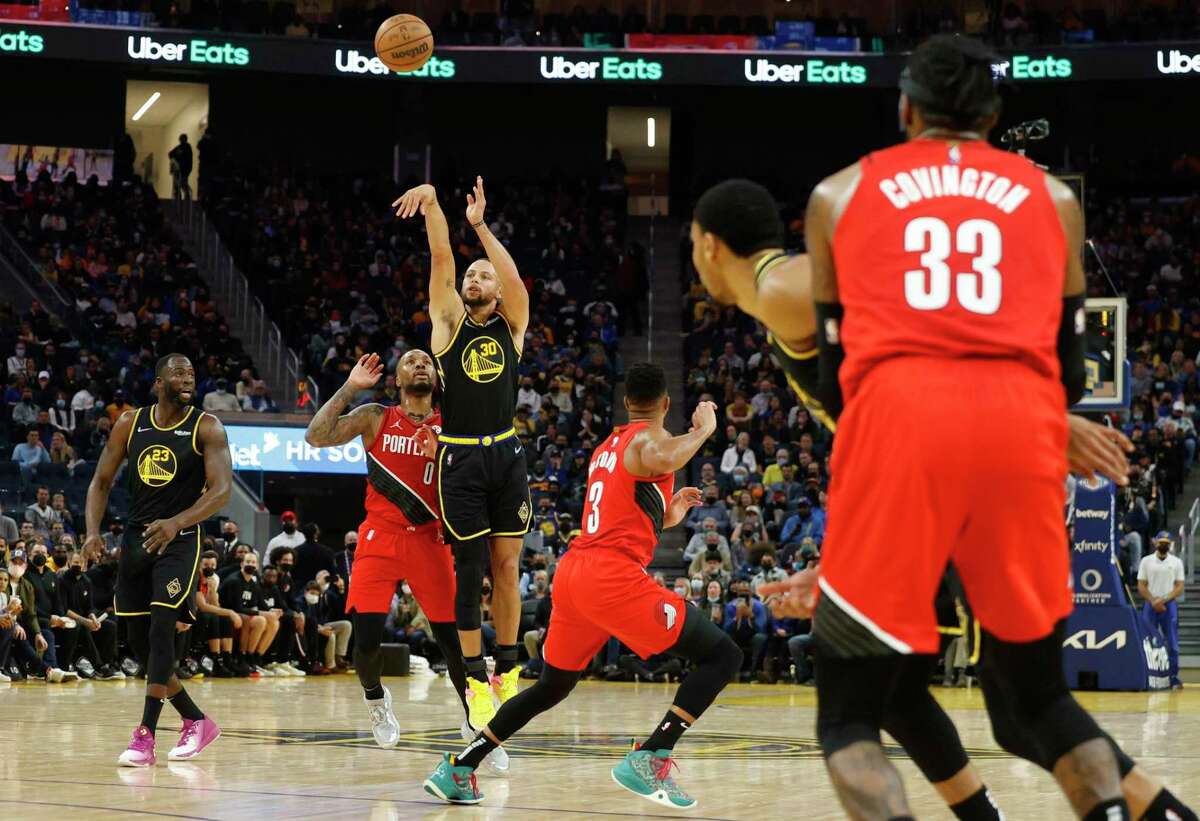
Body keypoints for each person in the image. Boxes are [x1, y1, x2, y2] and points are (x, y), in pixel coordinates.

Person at [688, 45, 1192, 821]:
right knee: (1035, 705)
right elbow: (1063, 363)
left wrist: (870, 519)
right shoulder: (1055, 199)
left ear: (905, 112)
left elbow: (838, 377)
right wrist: (1039, 421)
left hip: (899, 427)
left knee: (851, 711)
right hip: (1019, 431)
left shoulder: (838, 196)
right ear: (993, 118)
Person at [424, 362, 742, 808]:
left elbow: (622, 507)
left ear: (626, 403)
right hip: (610, 579)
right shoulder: (648, 440)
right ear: (666, 404)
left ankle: (460, 766)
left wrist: (666, 516)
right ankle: (652, 755)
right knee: (723, 655)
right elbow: (665, 454)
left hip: (576, 574)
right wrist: (703, 430)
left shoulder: (607, 448)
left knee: (551, 687)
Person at [304, 350, 492, 766]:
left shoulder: (455, 424)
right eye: (410, 361)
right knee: (365, 640)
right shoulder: (375, 416)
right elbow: (315, 436)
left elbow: (477, 482)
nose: (420, 365)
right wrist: (351, 387)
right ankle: (376, 700)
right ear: (397, 379)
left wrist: (440, 456)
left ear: (438, 377)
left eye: (426, 360)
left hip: (431, 539)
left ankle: (476, 724)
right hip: (380, 537)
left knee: (454, 644)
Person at [394, 176, 532, 734]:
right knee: (469, 570)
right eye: (472, 275)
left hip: (505, 454)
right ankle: (474, 679)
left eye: (484, 276)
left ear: (496, 292)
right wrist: (433, 202)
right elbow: (441, 256)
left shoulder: (512, 325)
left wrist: (481, 227)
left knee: (507, 567)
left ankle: (507, 668)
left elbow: (516, 277)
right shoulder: (447, 325)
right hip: (459, 460)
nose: (475, 277)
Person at [85, 353, 230, 766]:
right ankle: (196, 720)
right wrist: (93, 533)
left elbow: (221, 492)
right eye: (179, 373)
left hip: (181, 539)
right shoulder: (131, 424)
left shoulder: (207, 426)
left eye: (192, 372)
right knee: (137, 642)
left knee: (161, 631)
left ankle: (145, 735)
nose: (188, 378)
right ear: (158, 382)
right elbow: (100, 481)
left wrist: (176, 522)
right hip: (136, 538)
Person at [1138, 533, 1185, 690]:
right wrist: (1153, 600)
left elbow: (1179, 587)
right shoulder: (1146, 561)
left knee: (1172, 642)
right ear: (1155, 542)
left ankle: (1172, 677)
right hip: (1150, 604)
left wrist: (1163, 599)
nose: (1163, 544)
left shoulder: (1176, 562)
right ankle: (1146, 675)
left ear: (1170, 544)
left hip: (1168, 604)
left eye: (1166, 542)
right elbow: (1141, 585)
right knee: (1146, 641)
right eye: (1161, 542)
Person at [168, 134, 192, 201]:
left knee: (183, 183)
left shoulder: (187, 147)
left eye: (182, 139)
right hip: (178, 169)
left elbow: (188, 160)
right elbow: (170, 154)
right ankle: (178, 197)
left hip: (184, 170)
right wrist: (175, 161)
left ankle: (186, 197)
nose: (181, 140)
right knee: (177, 184)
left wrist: (186, 169)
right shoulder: (179, 147)